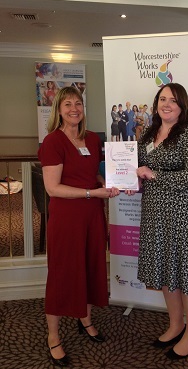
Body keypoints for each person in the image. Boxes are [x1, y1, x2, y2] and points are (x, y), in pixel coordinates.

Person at [127, 83, 188, 360]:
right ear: (156, 103)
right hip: (156, 214)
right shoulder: (148, 134)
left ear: (183, 105)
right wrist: (132, 180)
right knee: (168, 271)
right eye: (162, 99)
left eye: (173, 100)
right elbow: (140, 169)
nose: (166, 104)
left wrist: (154, 175)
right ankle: (176, 324)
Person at [38, 86, 120, 367]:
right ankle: (53, 335)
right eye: (67, 104)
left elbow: (94, 174)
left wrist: (104, 186)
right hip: (67, 218)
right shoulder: (53, 142)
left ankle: (85, 319)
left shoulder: (93, 139)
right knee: (63, 273)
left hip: (93, 215)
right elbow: (52, 188)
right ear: (58, 110)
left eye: (78, 104)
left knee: (89, 266)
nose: (74, 108)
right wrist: (90, 193)